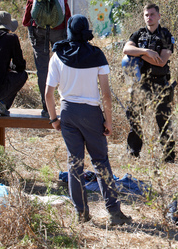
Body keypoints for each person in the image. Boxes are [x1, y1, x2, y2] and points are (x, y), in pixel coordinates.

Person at [45, 15, 131, 225]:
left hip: (67, 112)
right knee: (100, 161)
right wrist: (108, 122)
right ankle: (114, 212)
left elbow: (48, 93)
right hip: (92, 113)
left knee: (74, 163)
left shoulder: (58, 54)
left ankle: (81, 213)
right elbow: (106, 95)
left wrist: (53, 119)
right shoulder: (97, 55)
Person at [16, 0, 85, 118]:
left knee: (42, 67)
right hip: (59, 24)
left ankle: (46, 108)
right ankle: (66, 104)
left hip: (36, 25)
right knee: (63, 64)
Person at [123, 3, 176, 162]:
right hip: (141, 84)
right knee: (135, 119)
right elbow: (126, 50)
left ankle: (169, 157)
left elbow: (161, 61)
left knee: (163, 120)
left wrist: (137, 53)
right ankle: (133, 153)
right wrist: (146, 52)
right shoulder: (138, 34)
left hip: (160, 83)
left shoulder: (165, 35)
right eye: (146, 15)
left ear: (159, 16)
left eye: (152, 14)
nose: (149, 18)